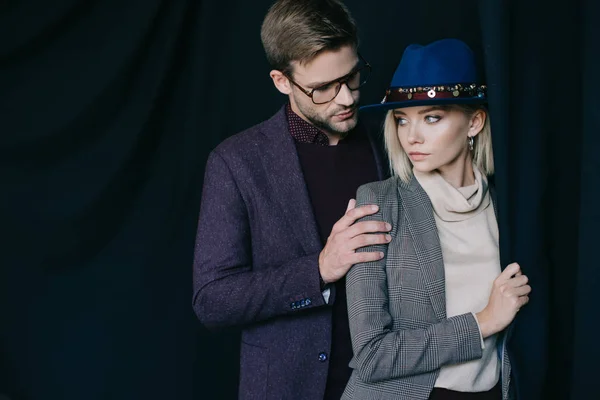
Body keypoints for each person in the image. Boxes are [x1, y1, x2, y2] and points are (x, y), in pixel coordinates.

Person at [192, 1, 390, 399]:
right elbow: (212, 300)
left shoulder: (391, 138)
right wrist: (319, 268)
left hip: (391, 385)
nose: (347, 98)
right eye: (323, 89)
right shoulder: (236, 162)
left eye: (352, 77)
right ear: (282, 81)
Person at [342, 38, 531, 400]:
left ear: (474, 122)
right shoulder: (379, 203)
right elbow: (371, 355)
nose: (412, 136)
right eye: (401, 120)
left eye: (432, 117)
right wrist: (484, 322)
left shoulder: (507, 209)